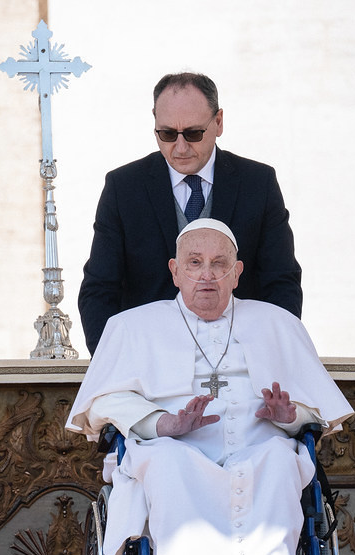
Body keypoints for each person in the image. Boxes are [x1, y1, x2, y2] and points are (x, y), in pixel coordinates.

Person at [67, 219, 352, 555]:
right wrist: (162, 423)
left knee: (281, 460)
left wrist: (290, 417)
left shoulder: (279, 323)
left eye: (219, 264)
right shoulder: (131, 326)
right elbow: (102, 403)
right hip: (174, 451)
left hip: (260, 452)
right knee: (168, 463)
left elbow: (318, 413)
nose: (207, 275)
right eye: (194, 263)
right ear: (175, 271)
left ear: (237, 273)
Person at [77, 71, 303, 355]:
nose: (181, 147)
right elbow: (99, 290)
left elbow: (281, 283)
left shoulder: (258, 184)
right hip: (149, 361)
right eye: (167, 134)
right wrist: (114, 364)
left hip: (239, 360)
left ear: (218, 122)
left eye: (194, 133)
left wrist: (270, 358)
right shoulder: (123, 188)